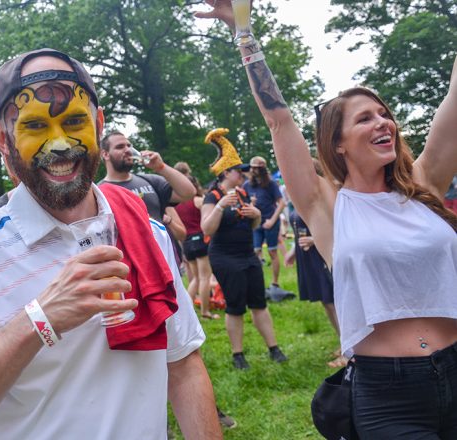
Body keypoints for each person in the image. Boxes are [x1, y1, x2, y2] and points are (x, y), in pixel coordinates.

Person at [0, 48, 221, 439]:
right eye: (35, 126)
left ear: (98, 123)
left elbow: (184, 366)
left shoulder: (146, 233)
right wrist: (39, 320)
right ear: (2, 137)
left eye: (74, 120)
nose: (59, 145)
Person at [196, 2, 457, 437]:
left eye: (385, 114)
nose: (384, 123)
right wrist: (243, 30)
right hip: (387, 394)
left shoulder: (425, 184)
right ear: (337, 143)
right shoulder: (326, 205)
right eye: (366, 118)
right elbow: (278, 120)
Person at [201, 128, 288, 370]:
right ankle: (238, 355)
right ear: (226, 172)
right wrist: (219, 207)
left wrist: (257, 215)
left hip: (247, 255)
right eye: (239, 170)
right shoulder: (212, 196)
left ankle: (274, 348)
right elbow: (206, 229)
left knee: (259, 303)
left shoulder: (242, 193)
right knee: (236, 306)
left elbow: (254, 223)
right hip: (225, 258)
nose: (244, 174)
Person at [284, 160, 343, 368]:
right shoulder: (301, 195)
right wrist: (293, 251)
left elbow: (340, 227)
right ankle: (343, 342)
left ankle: (351, 349)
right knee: (326, 302)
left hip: (323, 254)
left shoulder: (326, 194)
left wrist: (314, 239)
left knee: (335, 302)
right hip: (308, 256)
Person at [99, 130, 195, 222]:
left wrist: (161, 167)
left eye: (129, 146)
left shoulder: (151, 181)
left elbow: (189, 193)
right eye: (120, 147)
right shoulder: (99, 192)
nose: (128, 150)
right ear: (105, 154)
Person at [243, 156, 289, 298]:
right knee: (256, 252)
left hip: (270, 221)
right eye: (253, 167)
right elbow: (244, 206)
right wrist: (251, 203)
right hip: (256, 223)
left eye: (258, 168)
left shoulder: (271, 184)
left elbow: (282, 203)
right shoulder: (247, 185)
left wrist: (272, 220)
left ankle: (275, 283)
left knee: (272, 252)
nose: (255, 170)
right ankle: (258, 283)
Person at [175, 171, 217, 320]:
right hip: (200, 240)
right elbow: (209, 216)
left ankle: (186, 310)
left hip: (186, 242)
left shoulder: (177, 205)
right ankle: (205, 312)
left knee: (195, 279)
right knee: (205, 277)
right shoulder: (198, 200)